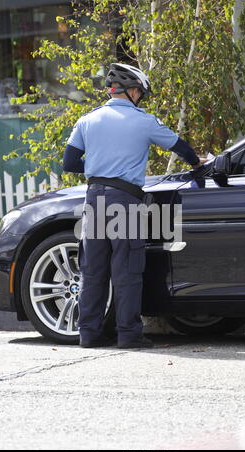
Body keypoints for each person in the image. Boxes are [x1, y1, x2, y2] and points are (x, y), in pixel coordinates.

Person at [63, 63, 202, 349]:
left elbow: (69, 163)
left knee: (93, 270)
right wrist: (199, 164)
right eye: (142, 93)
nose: (141, 98)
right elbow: (182, 148)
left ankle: (88, 334)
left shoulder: (87, 120)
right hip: (124, 201)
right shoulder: (144, 121)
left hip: (94, 201)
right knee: (127, 269)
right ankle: (129, 335)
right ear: (134, 90)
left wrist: (99, 164)